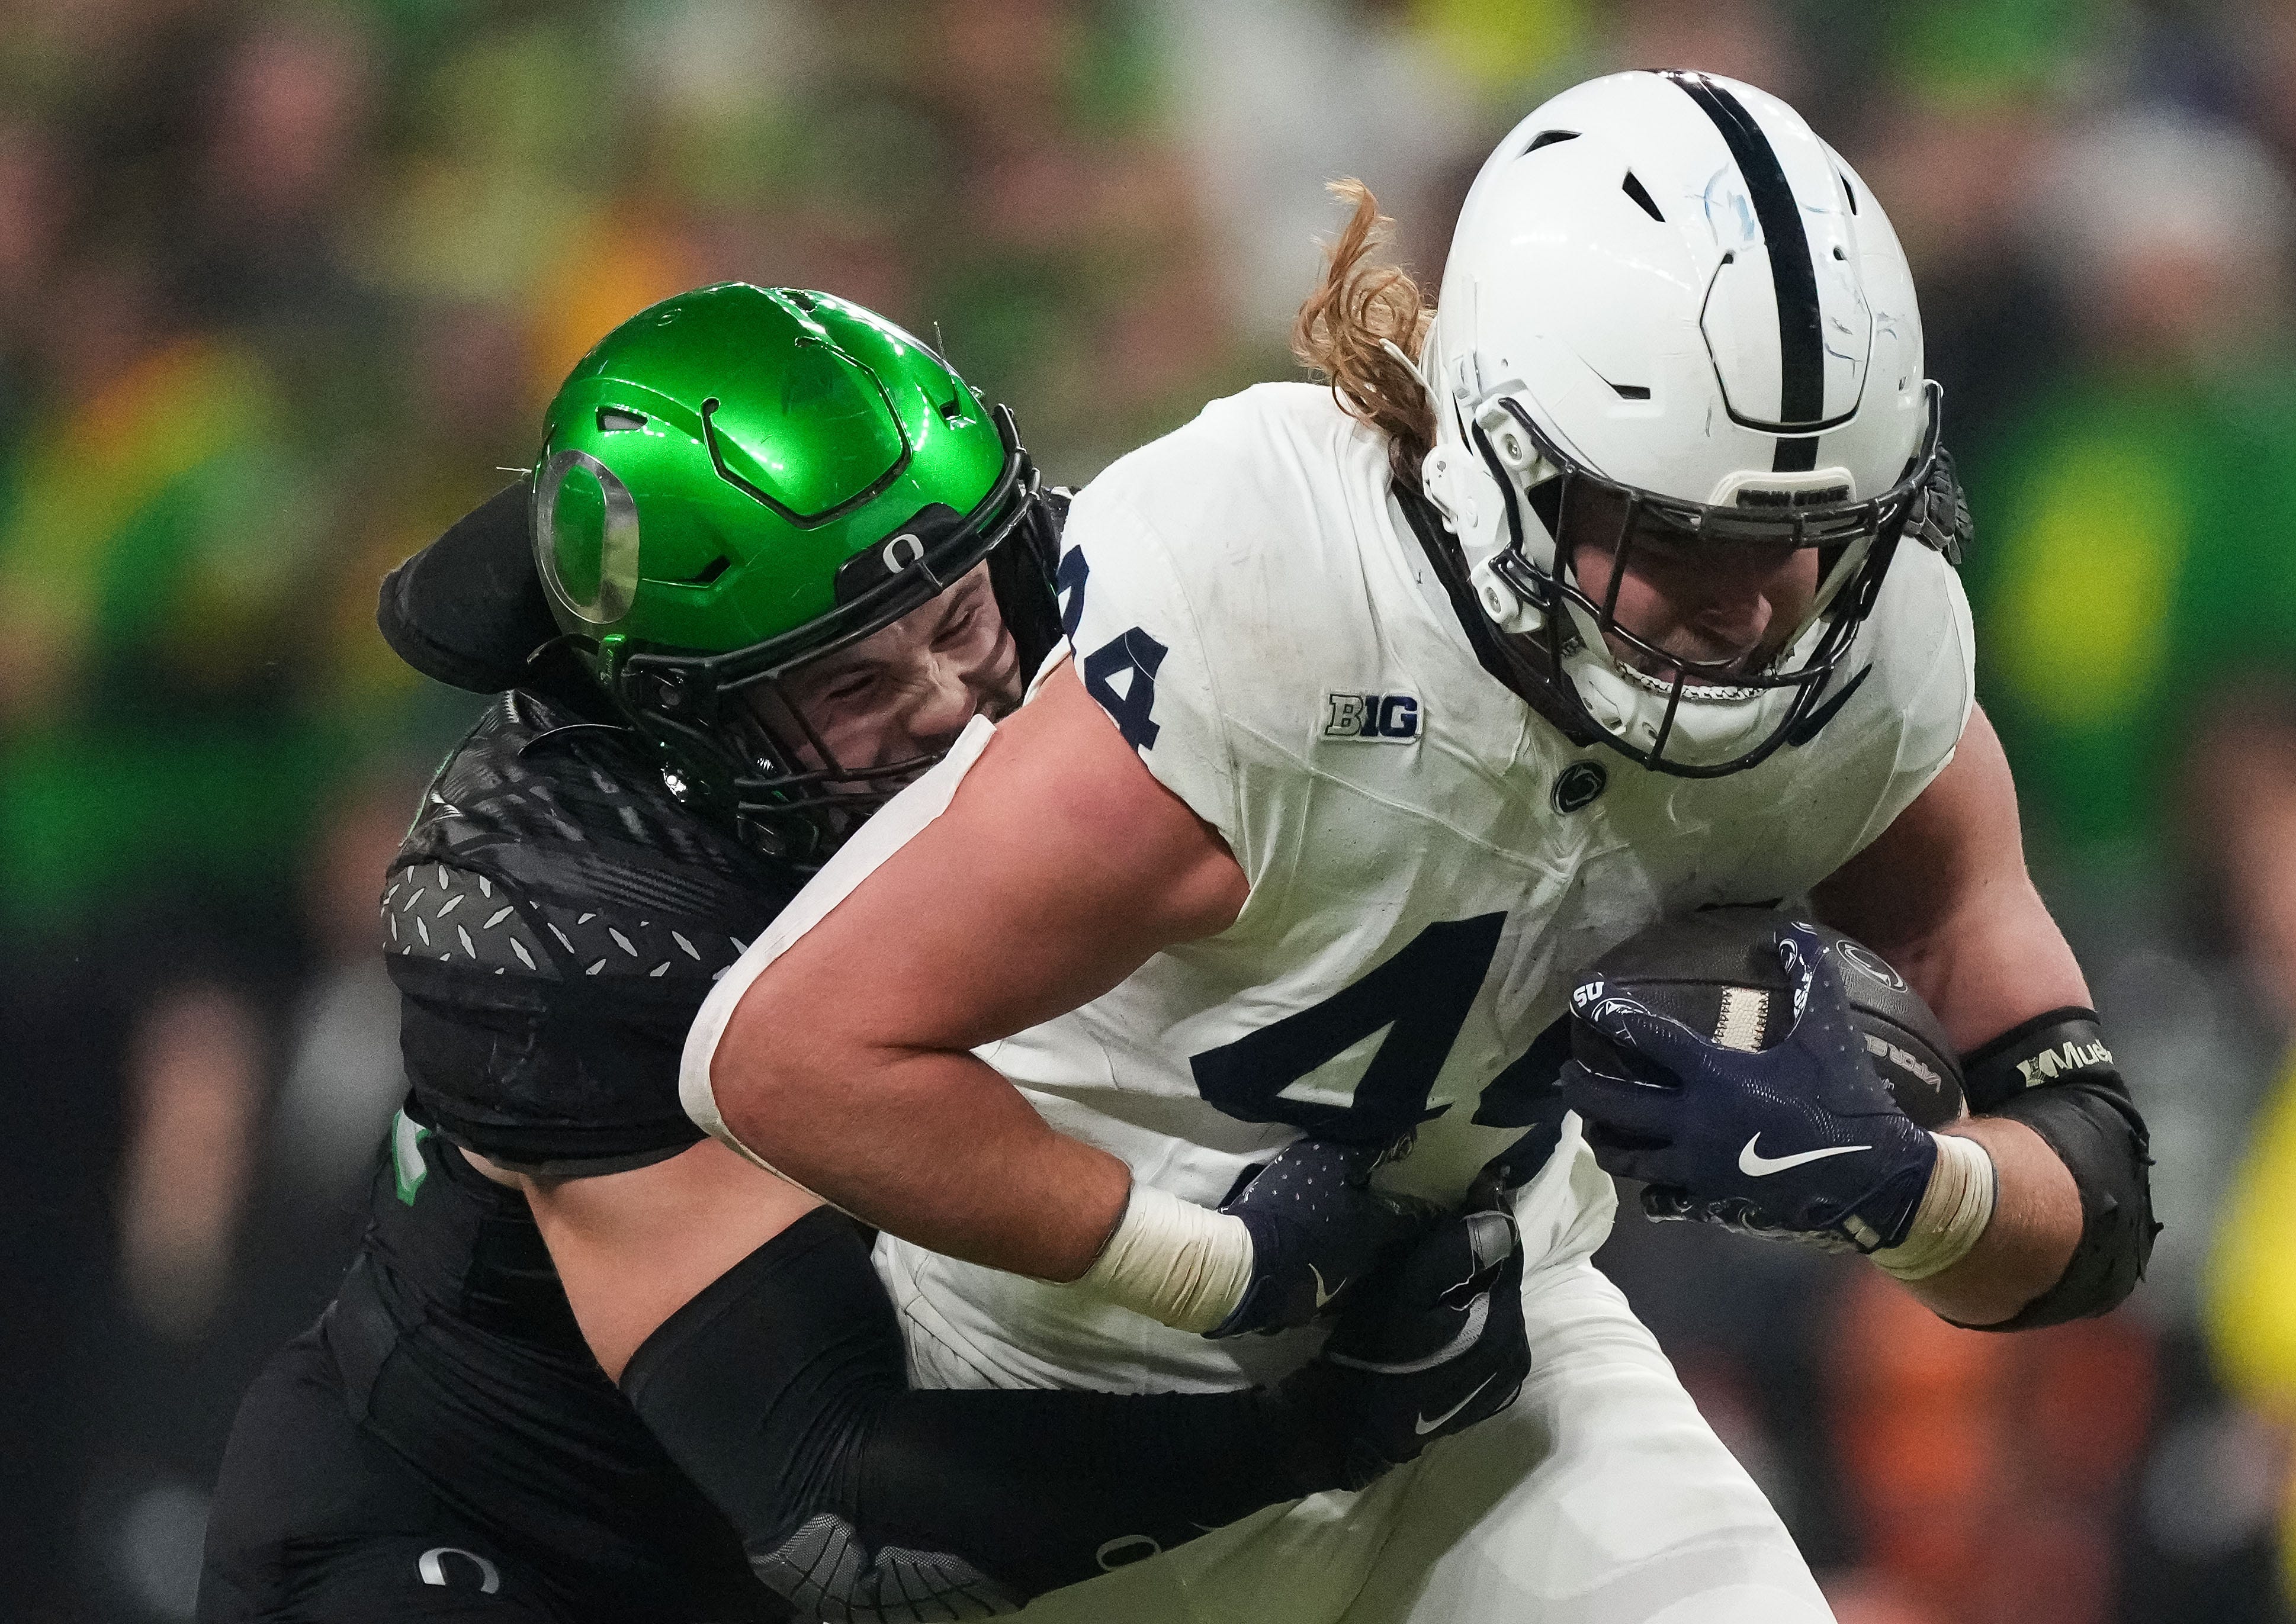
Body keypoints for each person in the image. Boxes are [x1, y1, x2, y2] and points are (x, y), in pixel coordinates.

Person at [681, 73, 2157, 1620]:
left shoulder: (1868, 676)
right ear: (1498, 456)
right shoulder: (1282, 614)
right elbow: (790, 1060)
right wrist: (1205, 1267)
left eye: (1800, 540)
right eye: (1676, 537)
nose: (1746, 610)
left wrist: (1900, 1184)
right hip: (1063, 1392)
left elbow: (2091, 1199)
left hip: (1486, 1356)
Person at [198, 282, 1531, 1624]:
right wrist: (1317, 1434)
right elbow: (839, 1516)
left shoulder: (1069, 588)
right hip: (511, 1545)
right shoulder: (570, 913)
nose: (959, 706)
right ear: (683, 711)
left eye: (959, 624)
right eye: (852, 685)